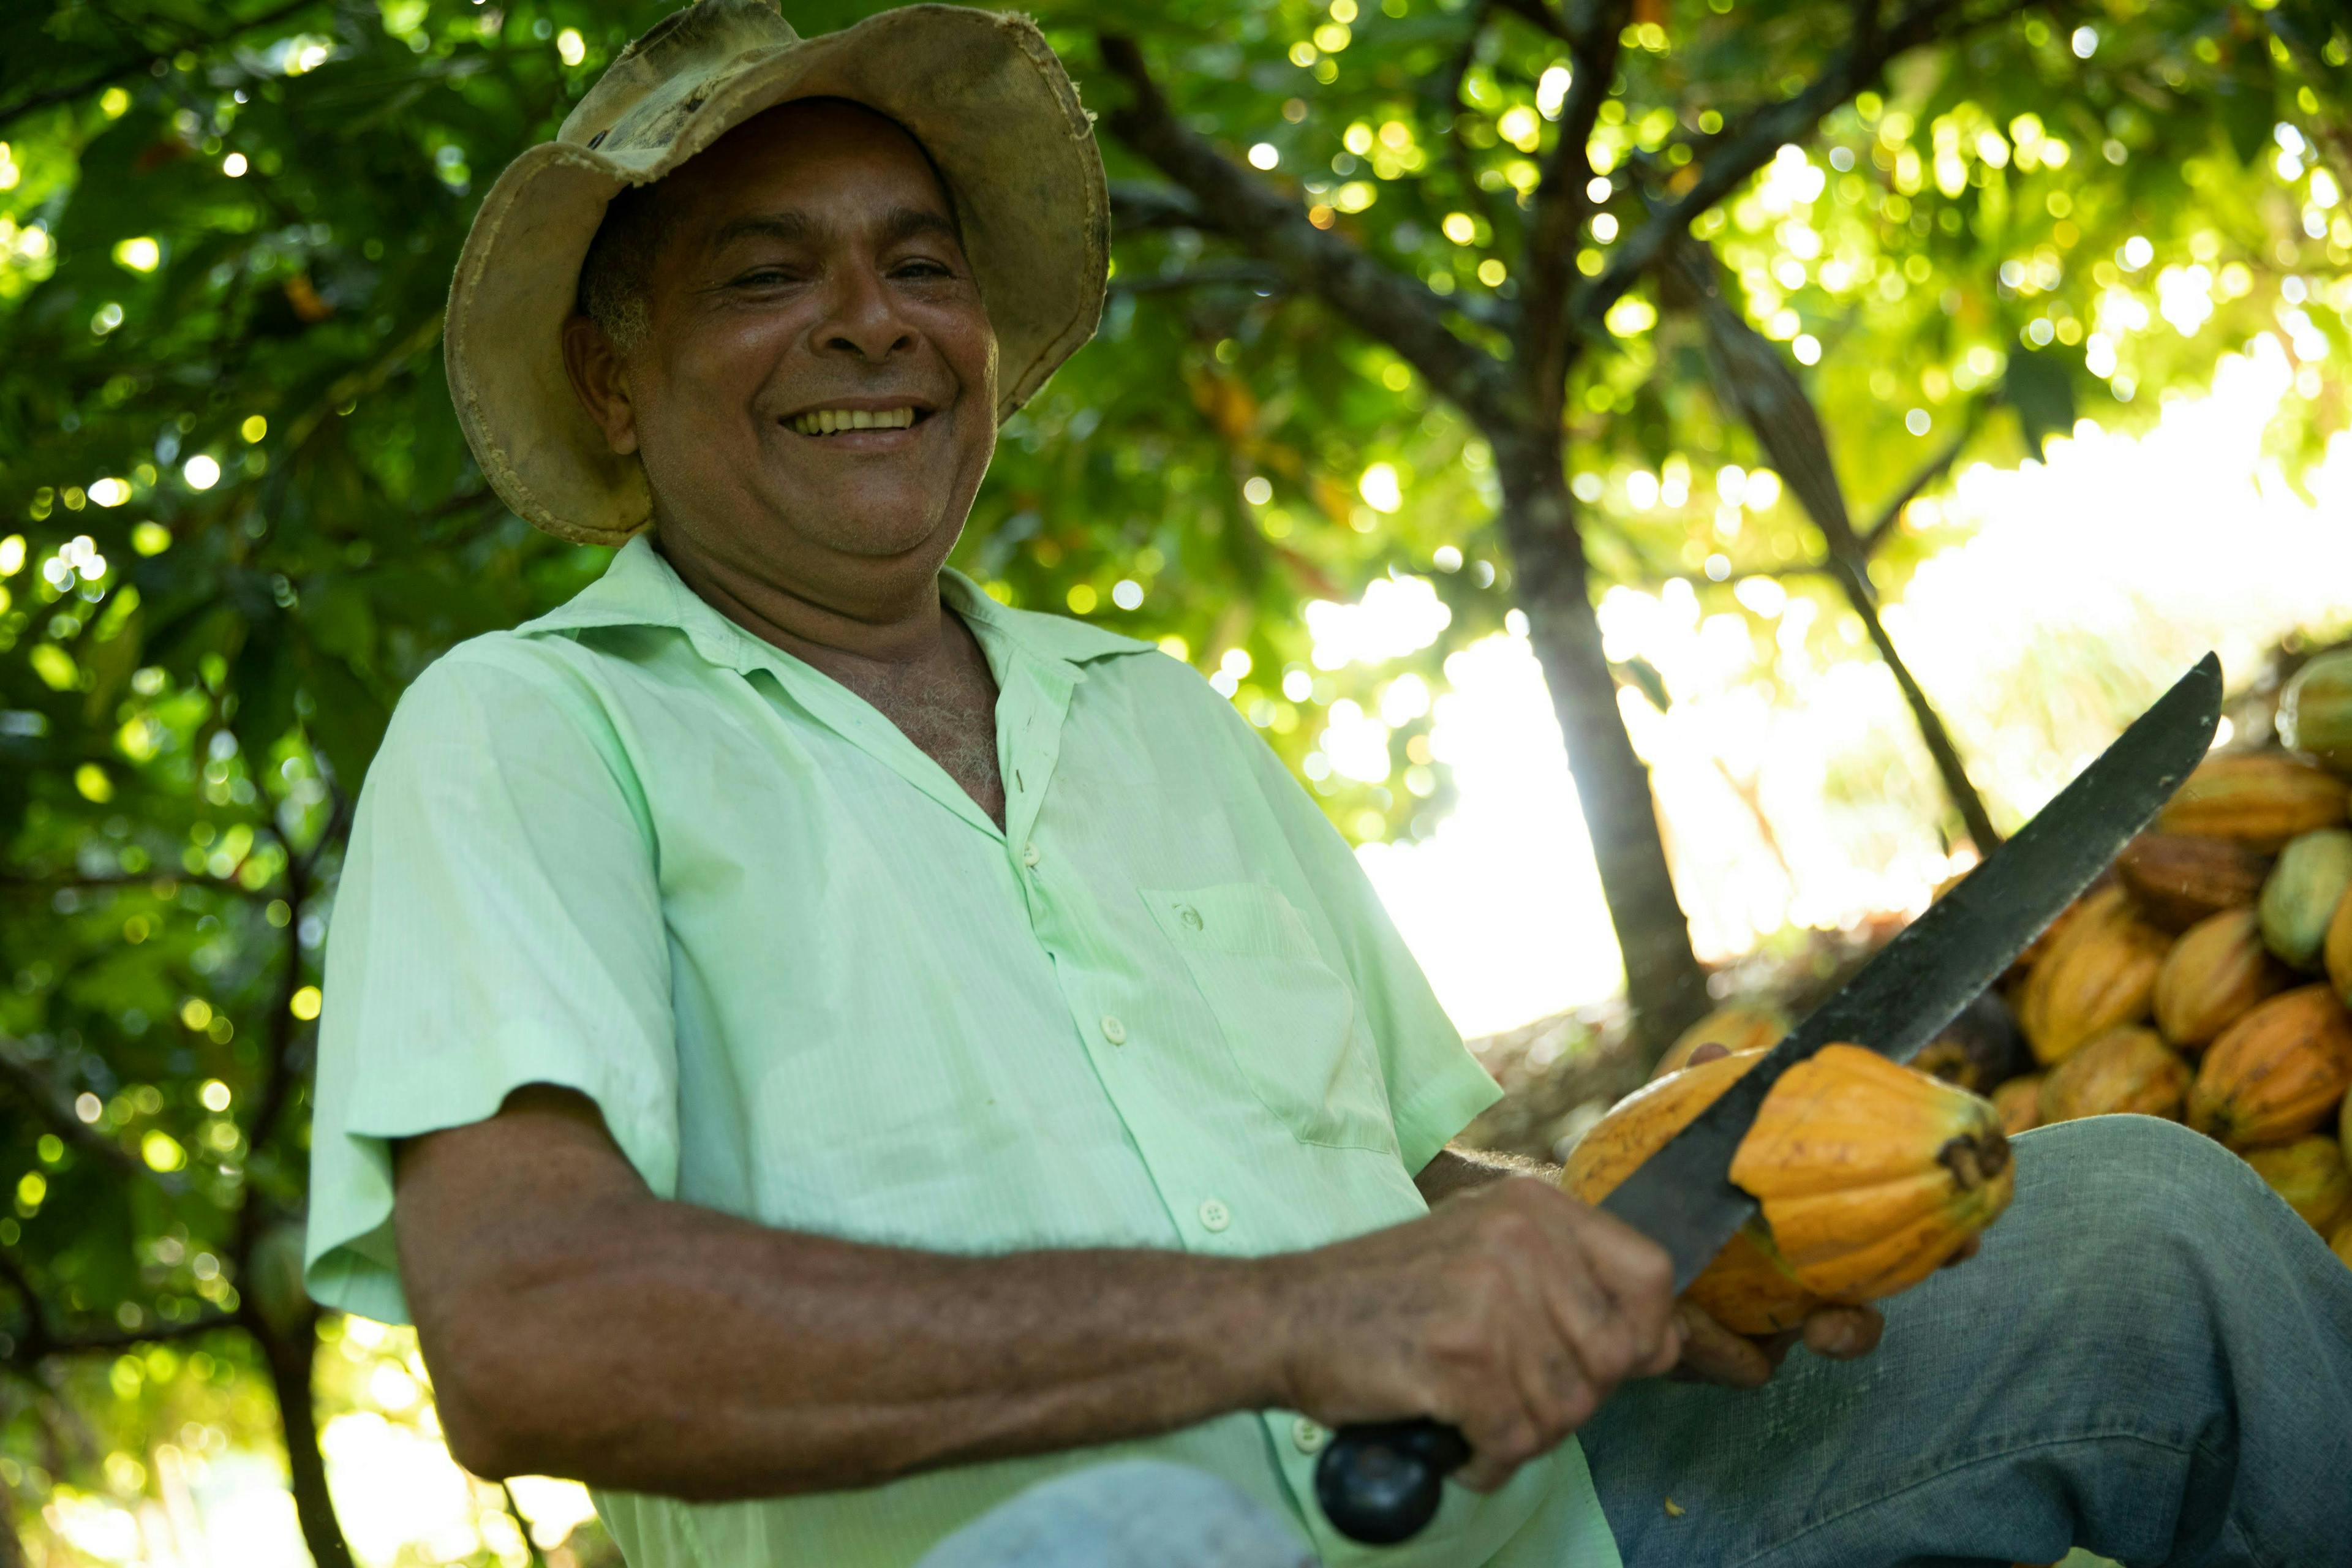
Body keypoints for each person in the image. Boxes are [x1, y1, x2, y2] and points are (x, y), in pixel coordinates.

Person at [304, 2, 2352, 1564]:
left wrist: (1621, 1267)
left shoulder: (1154, 719)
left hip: (1513, 1523)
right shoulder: (531, 734)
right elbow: (530, 1330)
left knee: (2150, 1228)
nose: (877, 322)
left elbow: (1400, 1196)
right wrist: (1283, 1323)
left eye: (923, 264)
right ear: (611, 374)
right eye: (767, 273)